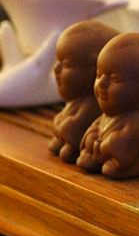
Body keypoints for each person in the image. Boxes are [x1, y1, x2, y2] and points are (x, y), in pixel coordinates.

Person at [77, 33, 139, 179]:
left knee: (111, 168)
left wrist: (103, 144)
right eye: (99, 75)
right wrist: (92, 136)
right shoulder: (108, 115)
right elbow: (95, 129)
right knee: (87, 156)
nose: (101, 84)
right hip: (102, 151)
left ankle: (137, 166)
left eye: (115, 79)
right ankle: (96, 157)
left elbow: (123, 145)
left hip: (127, 160)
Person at [49, 21, 119, 163]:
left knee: (68, 151)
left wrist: (64, 124)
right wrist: (61, 120)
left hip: (78, 140)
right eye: (58, 61)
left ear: (94, 69)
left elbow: (78, 124)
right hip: (67, 134)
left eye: (67, 64)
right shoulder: (77, 101)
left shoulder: (93, 105)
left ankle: (71, 147)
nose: (56, 68)